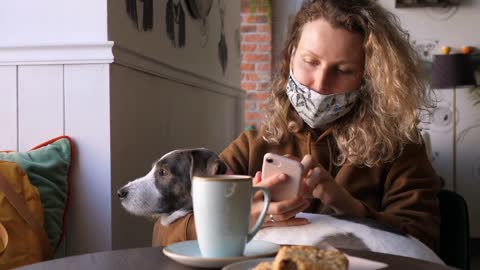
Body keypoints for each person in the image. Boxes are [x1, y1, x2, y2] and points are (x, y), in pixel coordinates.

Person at [152, 0, 441, 252]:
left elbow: (424, 240)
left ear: (368, 77)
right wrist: (239, 218)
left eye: (343, 70)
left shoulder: (400, 146)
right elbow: (164, 234)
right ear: (290, 57)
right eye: (310, 61)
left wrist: (350, 208)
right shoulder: (253, 146)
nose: (320, 83)